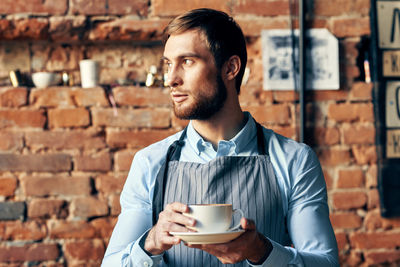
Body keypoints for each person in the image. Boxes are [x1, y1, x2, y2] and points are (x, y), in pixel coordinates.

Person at [102, 8, 339, 267]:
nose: (171, 79)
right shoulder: (149, 163)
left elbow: (325, 263)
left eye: (187, 61)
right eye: (168, 64)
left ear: (230, 68)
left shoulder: (295, 160)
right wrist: (151, 242)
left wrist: (262, 251)